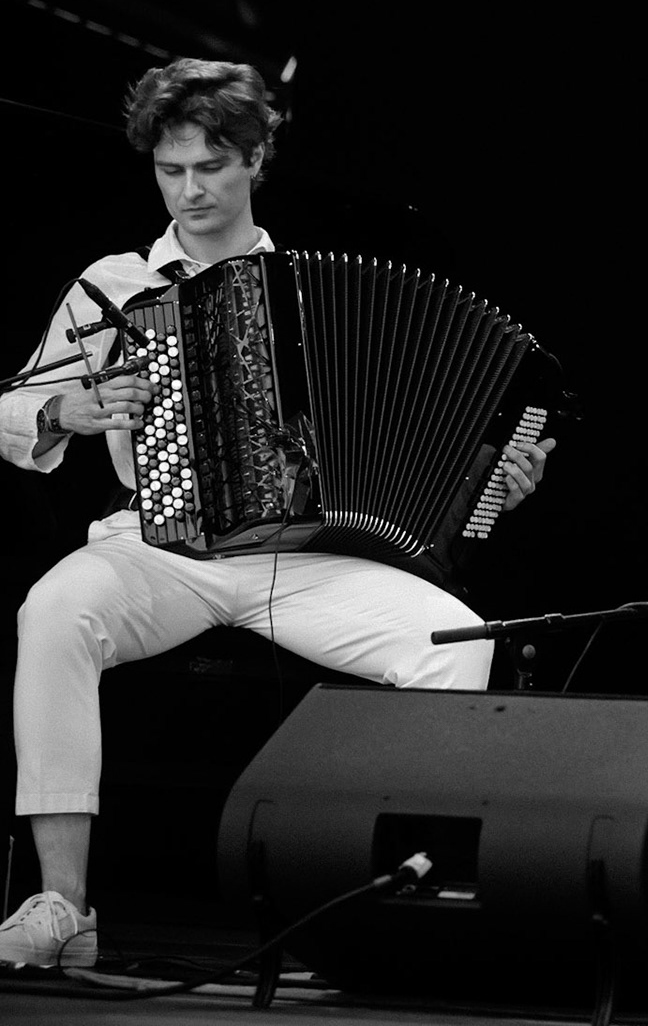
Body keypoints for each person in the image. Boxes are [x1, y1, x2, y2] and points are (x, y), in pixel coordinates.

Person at [0, 59, 557, 969]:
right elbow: (10, 407)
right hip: (161, 544)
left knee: (457, 640)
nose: (187, 192)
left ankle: (385, 897)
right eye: (169, 171)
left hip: (304, 556)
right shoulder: (113, 287)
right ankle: (62, 903)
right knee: (53, 611)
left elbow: (440, 452)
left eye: (209, 169)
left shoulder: (306, 285)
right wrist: (68, 410)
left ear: (255, 161)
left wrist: (492, 485)